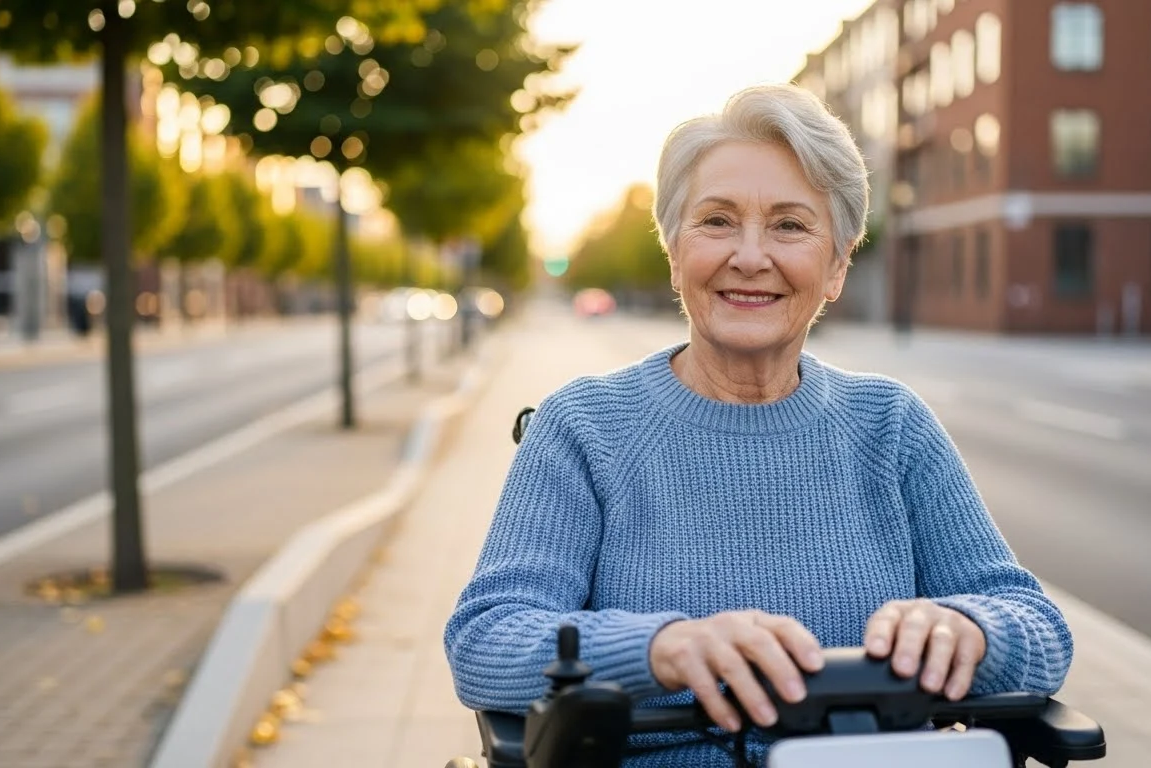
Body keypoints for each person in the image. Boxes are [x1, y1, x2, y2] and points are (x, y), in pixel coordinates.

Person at [443, 83, 1072, 766]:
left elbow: (1035, 626)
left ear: (835, 266)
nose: (749, 256)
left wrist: (969, 629)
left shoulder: (890, 426)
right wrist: (661, 649)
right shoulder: (584, 427)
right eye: (716, 221)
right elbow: (487, 639)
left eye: (789, 226)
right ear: (674, 250)